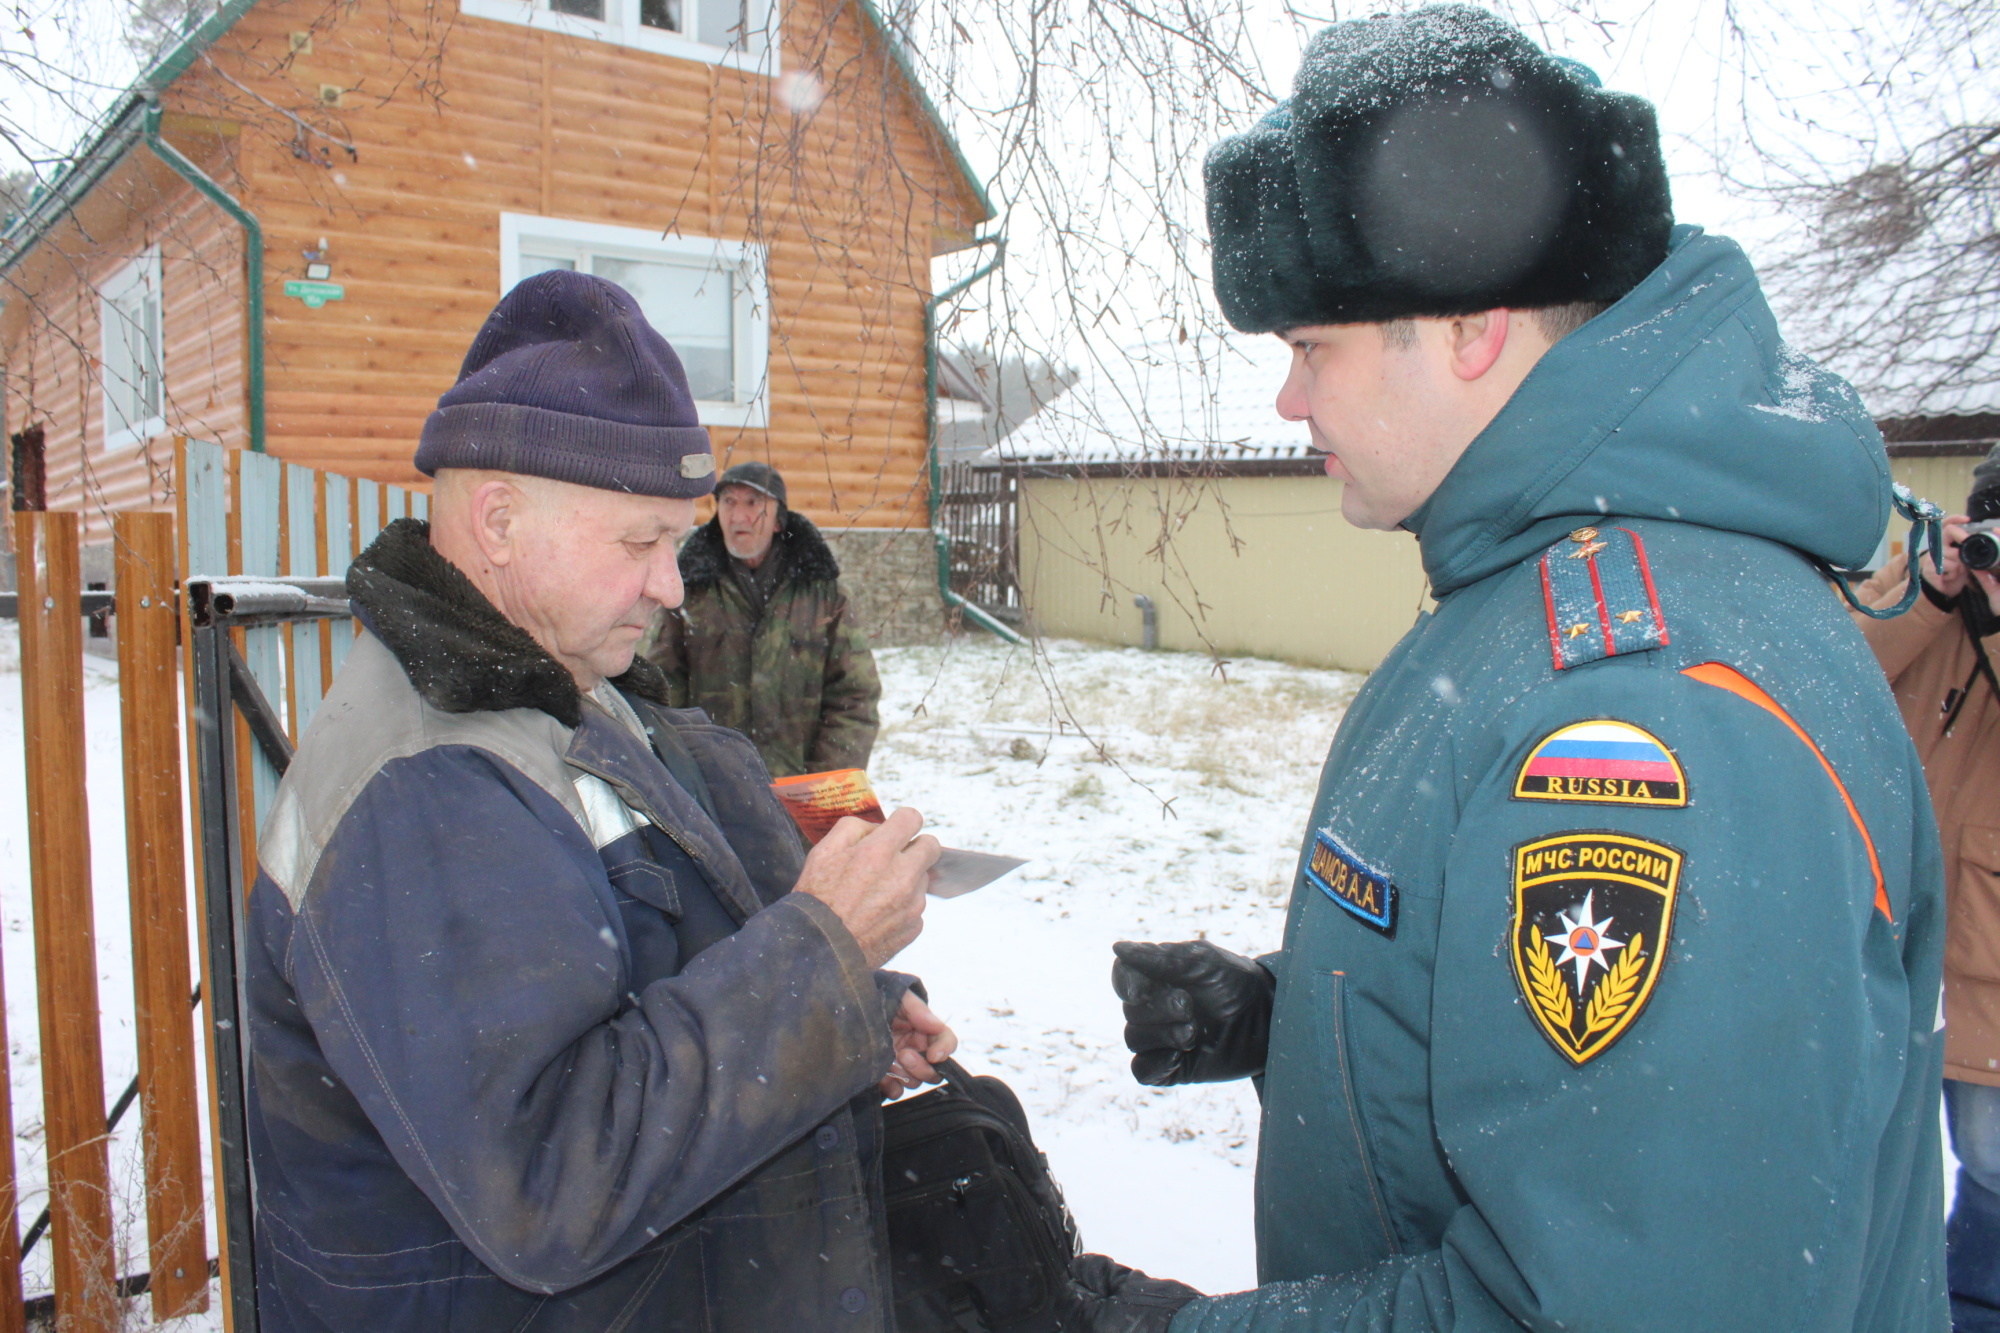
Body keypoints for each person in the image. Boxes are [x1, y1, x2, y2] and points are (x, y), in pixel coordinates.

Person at [1107, 7, 1948, 1331]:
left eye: (1310, 346)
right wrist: (1295, 1023)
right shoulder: (1526, 601)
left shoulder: (1647, 704)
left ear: (1471, 331)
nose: (1288, 401)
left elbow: (1629, 1304)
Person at [244, 270, 956, 1331]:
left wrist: (838, 1003)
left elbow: (650, 950)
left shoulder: (559, 688)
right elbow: (551, 1179)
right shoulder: (427, 791)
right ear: (497, 522)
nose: (671, 585)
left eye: (676, 540)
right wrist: (816, 957)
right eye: (640, 542)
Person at [1850, 447, 2000, 1332]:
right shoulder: (1918, 591)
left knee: (1987, 1161)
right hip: (1889, 927)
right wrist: (1934, 596)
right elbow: (1836, 672)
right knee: (1873, 1155)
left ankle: (1978, 1307)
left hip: (1986, 946)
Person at [648, 460, 882, 778]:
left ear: (777, 521)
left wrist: (826, 779)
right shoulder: (689, 592)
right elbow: (662, 690)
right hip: (716, 790)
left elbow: (854, 695)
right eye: (728, 501)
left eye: (754, 503)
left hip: (799, 790)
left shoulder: (824, 595)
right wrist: (684, 771)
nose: (738, 515)